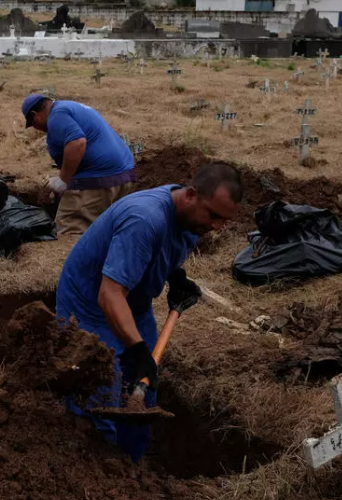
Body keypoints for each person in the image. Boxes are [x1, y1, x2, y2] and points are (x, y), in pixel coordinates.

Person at [55, 162, 243, 462]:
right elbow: (110, 294)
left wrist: (175, 277)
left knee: (143, 393)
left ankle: (131, 469)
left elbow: (161, 251)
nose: (216, 227)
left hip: (134, 304)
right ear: (191, 194)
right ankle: (92, 469)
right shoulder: (145, 219)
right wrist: (139, 348)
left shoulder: (191, 219)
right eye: (214, 215)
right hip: (90, 305)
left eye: (225, 220)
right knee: (98, 393)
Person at [21, 94, 135, 235]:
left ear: (34, 115)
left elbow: (77, 142)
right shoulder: (71, 106)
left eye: (32, 124)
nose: (36, 129)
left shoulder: (56, 116)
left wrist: (63, 180)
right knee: (105, 233)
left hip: (97, 180)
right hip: (122, 176)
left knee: (70, 232)